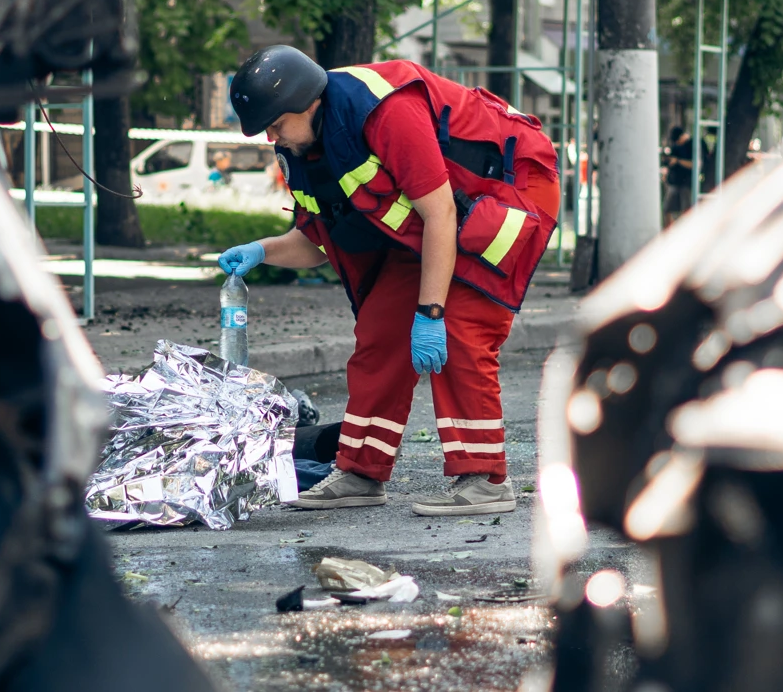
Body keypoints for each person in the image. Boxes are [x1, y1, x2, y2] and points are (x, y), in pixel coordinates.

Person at [216, 45, 560, 517]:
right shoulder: (305, 147)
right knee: (381, 331)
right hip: (438, 221)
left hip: (506, 194)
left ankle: (485, 479)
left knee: (461, 329)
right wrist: (263, 251)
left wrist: (431, 313)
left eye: (276, 124)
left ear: (307, 102)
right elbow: (319, 240)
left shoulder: (386, 113)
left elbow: (439, 213)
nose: (272, 137)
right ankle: (360, 472)